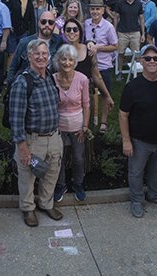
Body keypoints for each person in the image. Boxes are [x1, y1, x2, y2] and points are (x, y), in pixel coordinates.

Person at [10, 39, 63, 227]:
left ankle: (46, 203)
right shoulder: (22, 82)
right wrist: (22, 147)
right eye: (37, 54)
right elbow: (15, 118)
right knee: (27, 176)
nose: (41, 57)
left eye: (44, 54)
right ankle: (28, 209)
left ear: (48, 57)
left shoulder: (49, 76)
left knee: (51, 173)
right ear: (29, 56)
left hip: (53, 137)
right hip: (33, 140)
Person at [120, 44, 157, 218]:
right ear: (140, 61)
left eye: (156, 58)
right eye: (148, 58)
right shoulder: (132, 87)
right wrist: (126, 140)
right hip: (139, 140)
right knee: (136, 172)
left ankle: (154, 194)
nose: (152, 61)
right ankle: (136, 200)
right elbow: (123, 115)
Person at [52, 44, 90, 202]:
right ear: (58, 61)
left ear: (75, 62)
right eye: (63, 59)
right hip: (58, 126)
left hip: (78, 126)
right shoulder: (52, 79)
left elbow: (86, 104)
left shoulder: (82, 79)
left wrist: (85, 126)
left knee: (78, 158)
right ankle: (61, 185)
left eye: (70, 59)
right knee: (58, 158)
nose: (67, 62)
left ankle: (78, 184)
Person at [63, 18, 114, 131]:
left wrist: (107, 95)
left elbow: (97, 76)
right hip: (67, 98)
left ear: (80, 32)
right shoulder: (61, 51)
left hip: (86, 95)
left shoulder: (88, 51)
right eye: (68, 29)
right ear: (64, 32)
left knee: (87, 129)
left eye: (75, 29)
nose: (72, 32)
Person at [9, 10, 63, 84]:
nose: (47, 25)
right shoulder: (24, 43)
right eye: (43, 22)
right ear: (38, 23)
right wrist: (11, 87)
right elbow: (13, 68)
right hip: (27, 86)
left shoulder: (59, 41)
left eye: (51, 22)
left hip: (49, 86)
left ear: (54, 25)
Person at [115, 0, 145, 69]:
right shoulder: (120, 3)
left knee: (136, 55)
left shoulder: (138, 4)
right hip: (122, 32)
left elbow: (142, 19)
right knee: (120, 53)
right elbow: (116, 18)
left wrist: (143, 33)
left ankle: (135, 73)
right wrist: (114, 30)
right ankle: (120, 72)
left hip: (135, 32)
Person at [7, 0, 35, 68]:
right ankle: (8, 74)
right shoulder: (13, 0)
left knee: (23, 53)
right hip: (13, 30)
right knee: (12, 53)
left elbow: (32, 18)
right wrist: (8, 25)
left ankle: (20, 72)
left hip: (24, 31)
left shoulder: (31, 2)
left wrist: (32, 33)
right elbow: (6, 13)